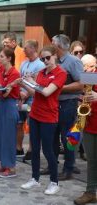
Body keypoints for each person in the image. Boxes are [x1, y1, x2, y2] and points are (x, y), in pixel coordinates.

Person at [19, 45, 67, 195]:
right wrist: (23, 83)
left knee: (47, 150)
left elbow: (46, 92)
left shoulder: (61, 73)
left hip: (49, 116)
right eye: (43, 58)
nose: (45, 61)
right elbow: (35, 92)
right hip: (35, 114)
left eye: (48, 58)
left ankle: (54, 182)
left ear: (55, 56)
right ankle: (35, 178)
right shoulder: (40, 72)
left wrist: (32, 83)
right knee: (34, 149)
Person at [51, 34, 84, 180]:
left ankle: (68, 169)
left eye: (52, 43)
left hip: (68, 104)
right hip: (54, 103)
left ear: (58, 46)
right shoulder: (54, 60)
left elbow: (81, 84)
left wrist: (59, 87)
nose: (50, 45)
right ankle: (52, 165)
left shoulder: (74, 61)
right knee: (53, 136)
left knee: (67, 138)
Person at [0, 48, 20, 177]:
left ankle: (10, 167)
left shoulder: (14, 73)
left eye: (1, 56)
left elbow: (6, 92)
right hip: (0, 105)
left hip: (9, 105)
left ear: (9, 58)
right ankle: (3, 163)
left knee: (8, 137)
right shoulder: (2, 72)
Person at [74, 54, 97, 205]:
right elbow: (84, 95)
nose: (85, 70)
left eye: (87, 67)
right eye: (82, 67)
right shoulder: (88, 77)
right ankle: (90, 192)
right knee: (92, 161)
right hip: (90, 124)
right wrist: (82, 100)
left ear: (94, 65)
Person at [16, 40, 45, 160]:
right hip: (21, 98)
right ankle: (18, 148)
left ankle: (31, 150)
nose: (23, 50)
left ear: (33, 48)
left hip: (32, 99)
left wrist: (26, 94)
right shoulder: (23, 63)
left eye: (26, 48)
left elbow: (38, 84)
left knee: (32, 125)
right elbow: (20, 79)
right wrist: (19, 94)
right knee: (18, 123)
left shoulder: (40, 65)